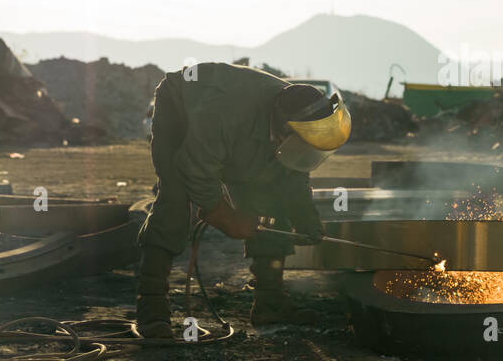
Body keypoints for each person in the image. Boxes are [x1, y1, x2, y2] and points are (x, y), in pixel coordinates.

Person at [134, 62, 350, 337]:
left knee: (273, 198)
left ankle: (270, 304)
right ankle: (151, 311)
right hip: (182, 106)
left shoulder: (299, 111)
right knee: (176, 199)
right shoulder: (223, 116)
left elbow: (293, 174)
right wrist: (223, 214)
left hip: (239, 125)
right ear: (283, 129)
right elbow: (195, 170)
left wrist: (305, 218)